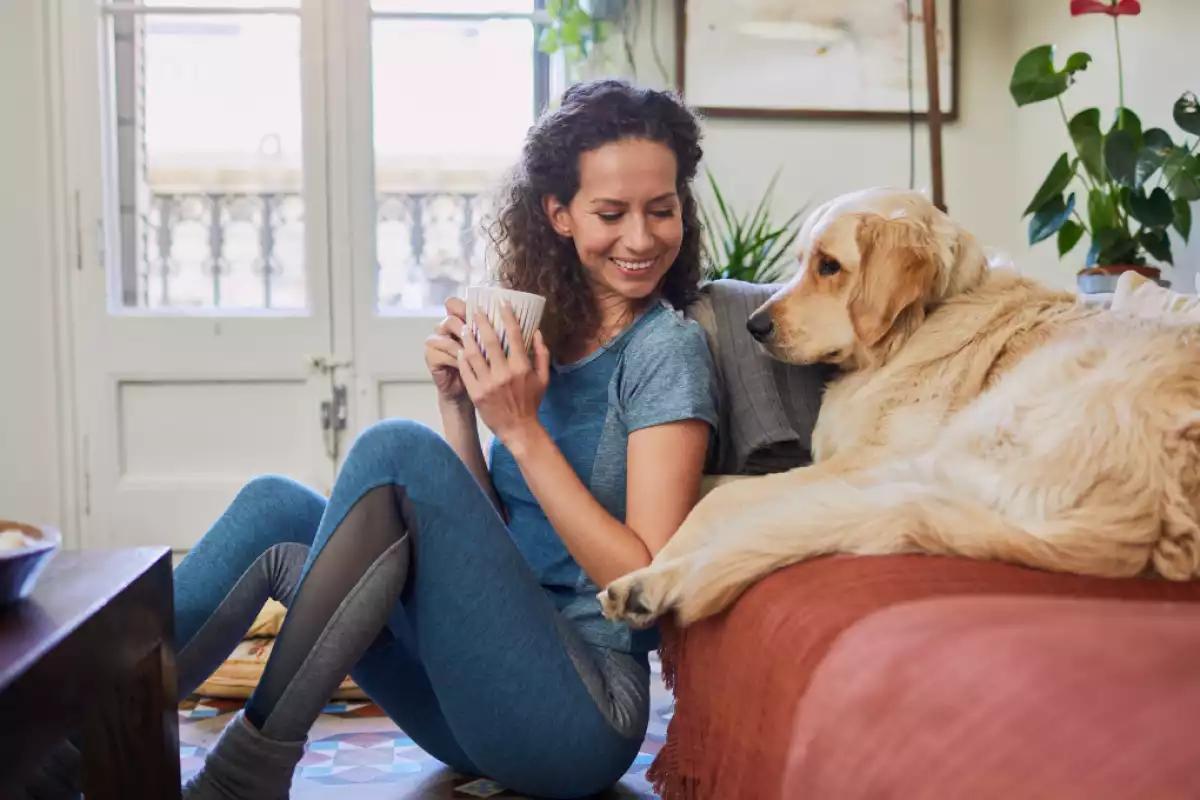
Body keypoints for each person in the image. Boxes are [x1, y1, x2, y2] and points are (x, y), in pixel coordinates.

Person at [171, 79, 717, 800]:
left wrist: (519, 428)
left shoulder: (666, 351)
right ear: (558, 213)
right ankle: (74, 736)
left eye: (662, 210)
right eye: (611, 213)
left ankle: (245, 772)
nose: (642, 238)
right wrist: (459, 406)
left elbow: (644, 585)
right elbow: (495, 546)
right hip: (472, 697)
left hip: (578, 718)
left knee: (395, 450)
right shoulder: (544, 333)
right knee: (275, 508)